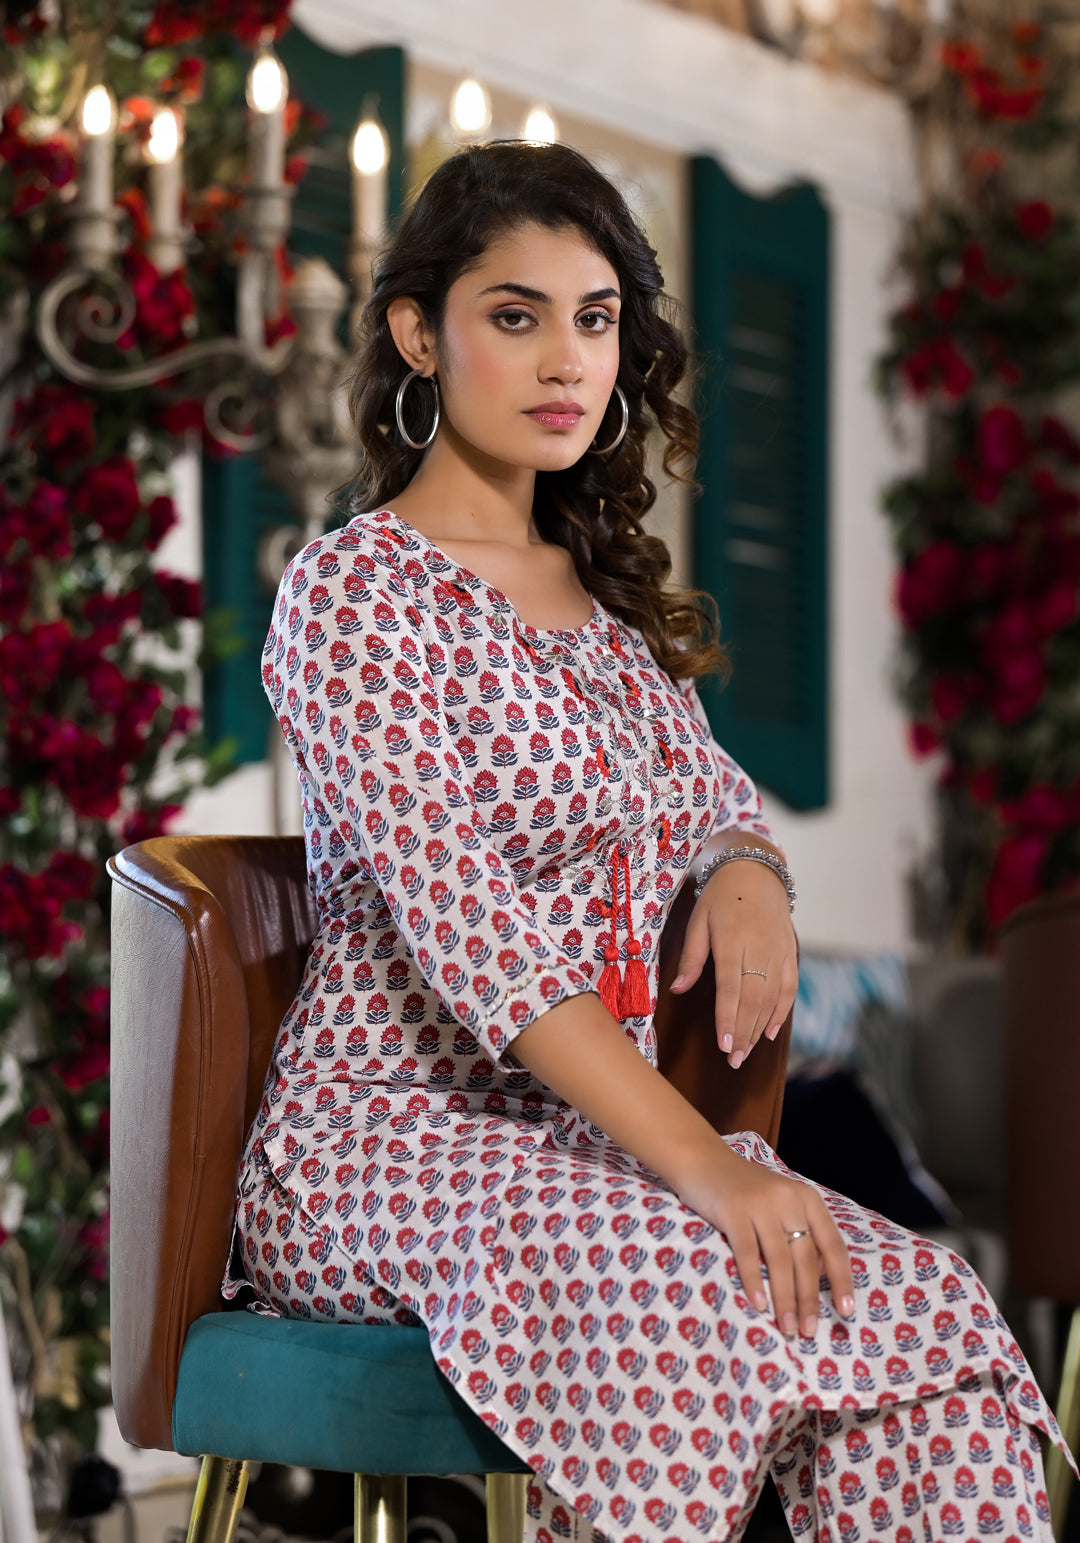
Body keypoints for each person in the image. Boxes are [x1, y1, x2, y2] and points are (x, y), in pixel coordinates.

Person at [223, 140, 1074, 1543]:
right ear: (417, 331)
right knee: (695, 1290)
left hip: (580, 1147)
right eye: (518, 315)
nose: (568, 359)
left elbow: (717, 795)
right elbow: (471, 932)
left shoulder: (608, 625)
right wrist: (706, 1165)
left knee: (925, 1308)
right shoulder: (355, 594)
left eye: (597, 317)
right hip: (376, 1146)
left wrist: (749, 871)